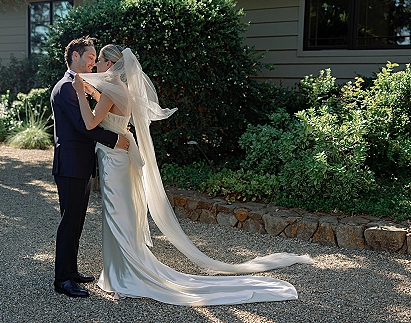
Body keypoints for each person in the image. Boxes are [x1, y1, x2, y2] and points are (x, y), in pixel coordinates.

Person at [72, 44, 314, 305]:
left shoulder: (109, 91)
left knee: (115, 214)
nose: (95, 65)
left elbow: (90, 122)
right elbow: (109, 105)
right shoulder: (122, 89)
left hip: (113, 159)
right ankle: (119, 271)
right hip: (123, 156)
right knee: (123, 212)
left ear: (109, 64)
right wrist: (93, 92)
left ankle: (123, 276)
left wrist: (79, 95)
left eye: (98, 61)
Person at [50, 37, 130, 298]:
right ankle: (62, 280)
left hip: (81, 165)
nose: (93, 62)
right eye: (90, 58)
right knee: (69, 222)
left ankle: (71, 271)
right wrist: (115, 139)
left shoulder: (80, 86)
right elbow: (85, 127)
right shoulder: (65, 88)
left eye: (96, 58)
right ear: (75, 56)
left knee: (77, 221)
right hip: (70, 164)